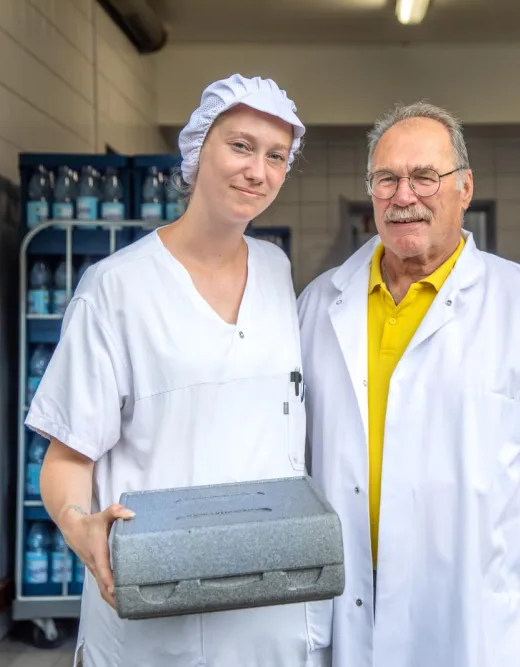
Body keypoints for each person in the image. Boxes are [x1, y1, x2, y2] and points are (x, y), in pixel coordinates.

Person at [26, 74, 332, 667]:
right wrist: (78, 524)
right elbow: (66, 459)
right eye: (241, 146)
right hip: (155, 606)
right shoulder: (116, 287)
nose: (258, 171)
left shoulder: (276, 269)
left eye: (276, 157)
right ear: (197, 151)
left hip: (270, 600)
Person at [296, 101, 520, 667]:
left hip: (477, 617)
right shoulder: (319, 305)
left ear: (465, 188)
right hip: (350, 608)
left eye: (425, 176)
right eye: (386, 179)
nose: (404, 196)